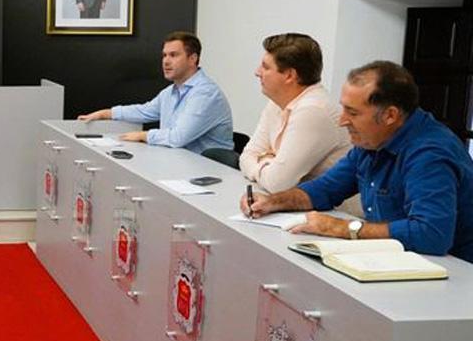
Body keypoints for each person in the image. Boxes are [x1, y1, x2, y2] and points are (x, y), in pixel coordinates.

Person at [242, 61, 473, 261]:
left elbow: (431, 235)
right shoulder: (372, 141)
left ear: (390, 115)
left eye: (353, 113)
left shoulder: (429, 154)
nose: (342, 121)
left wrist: (340, 228)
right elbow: (324, 189)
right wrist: (273, 202)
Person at [77, 32, 233, 153]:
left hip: (207, 173)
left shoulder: (205, 93)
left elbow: (178, 137)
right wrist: (106, 113)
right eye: (164, 55)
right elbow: (144, 111)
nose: (166, 61)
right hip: (177, 162)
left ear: (193, 59)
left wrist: (142, 135)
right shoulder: (171, 91)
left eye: (173, 55)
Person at [239, 33, 351, 192]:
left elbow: (277, 183)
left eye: (265, 67)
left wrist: (264, 159)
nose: (257, 72)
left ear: (289, 75)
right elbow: (246, 156)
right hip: (289, 205)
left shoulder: (314, 110)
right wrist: (269, 164)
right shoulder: (276, 102)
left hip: (329, 212)